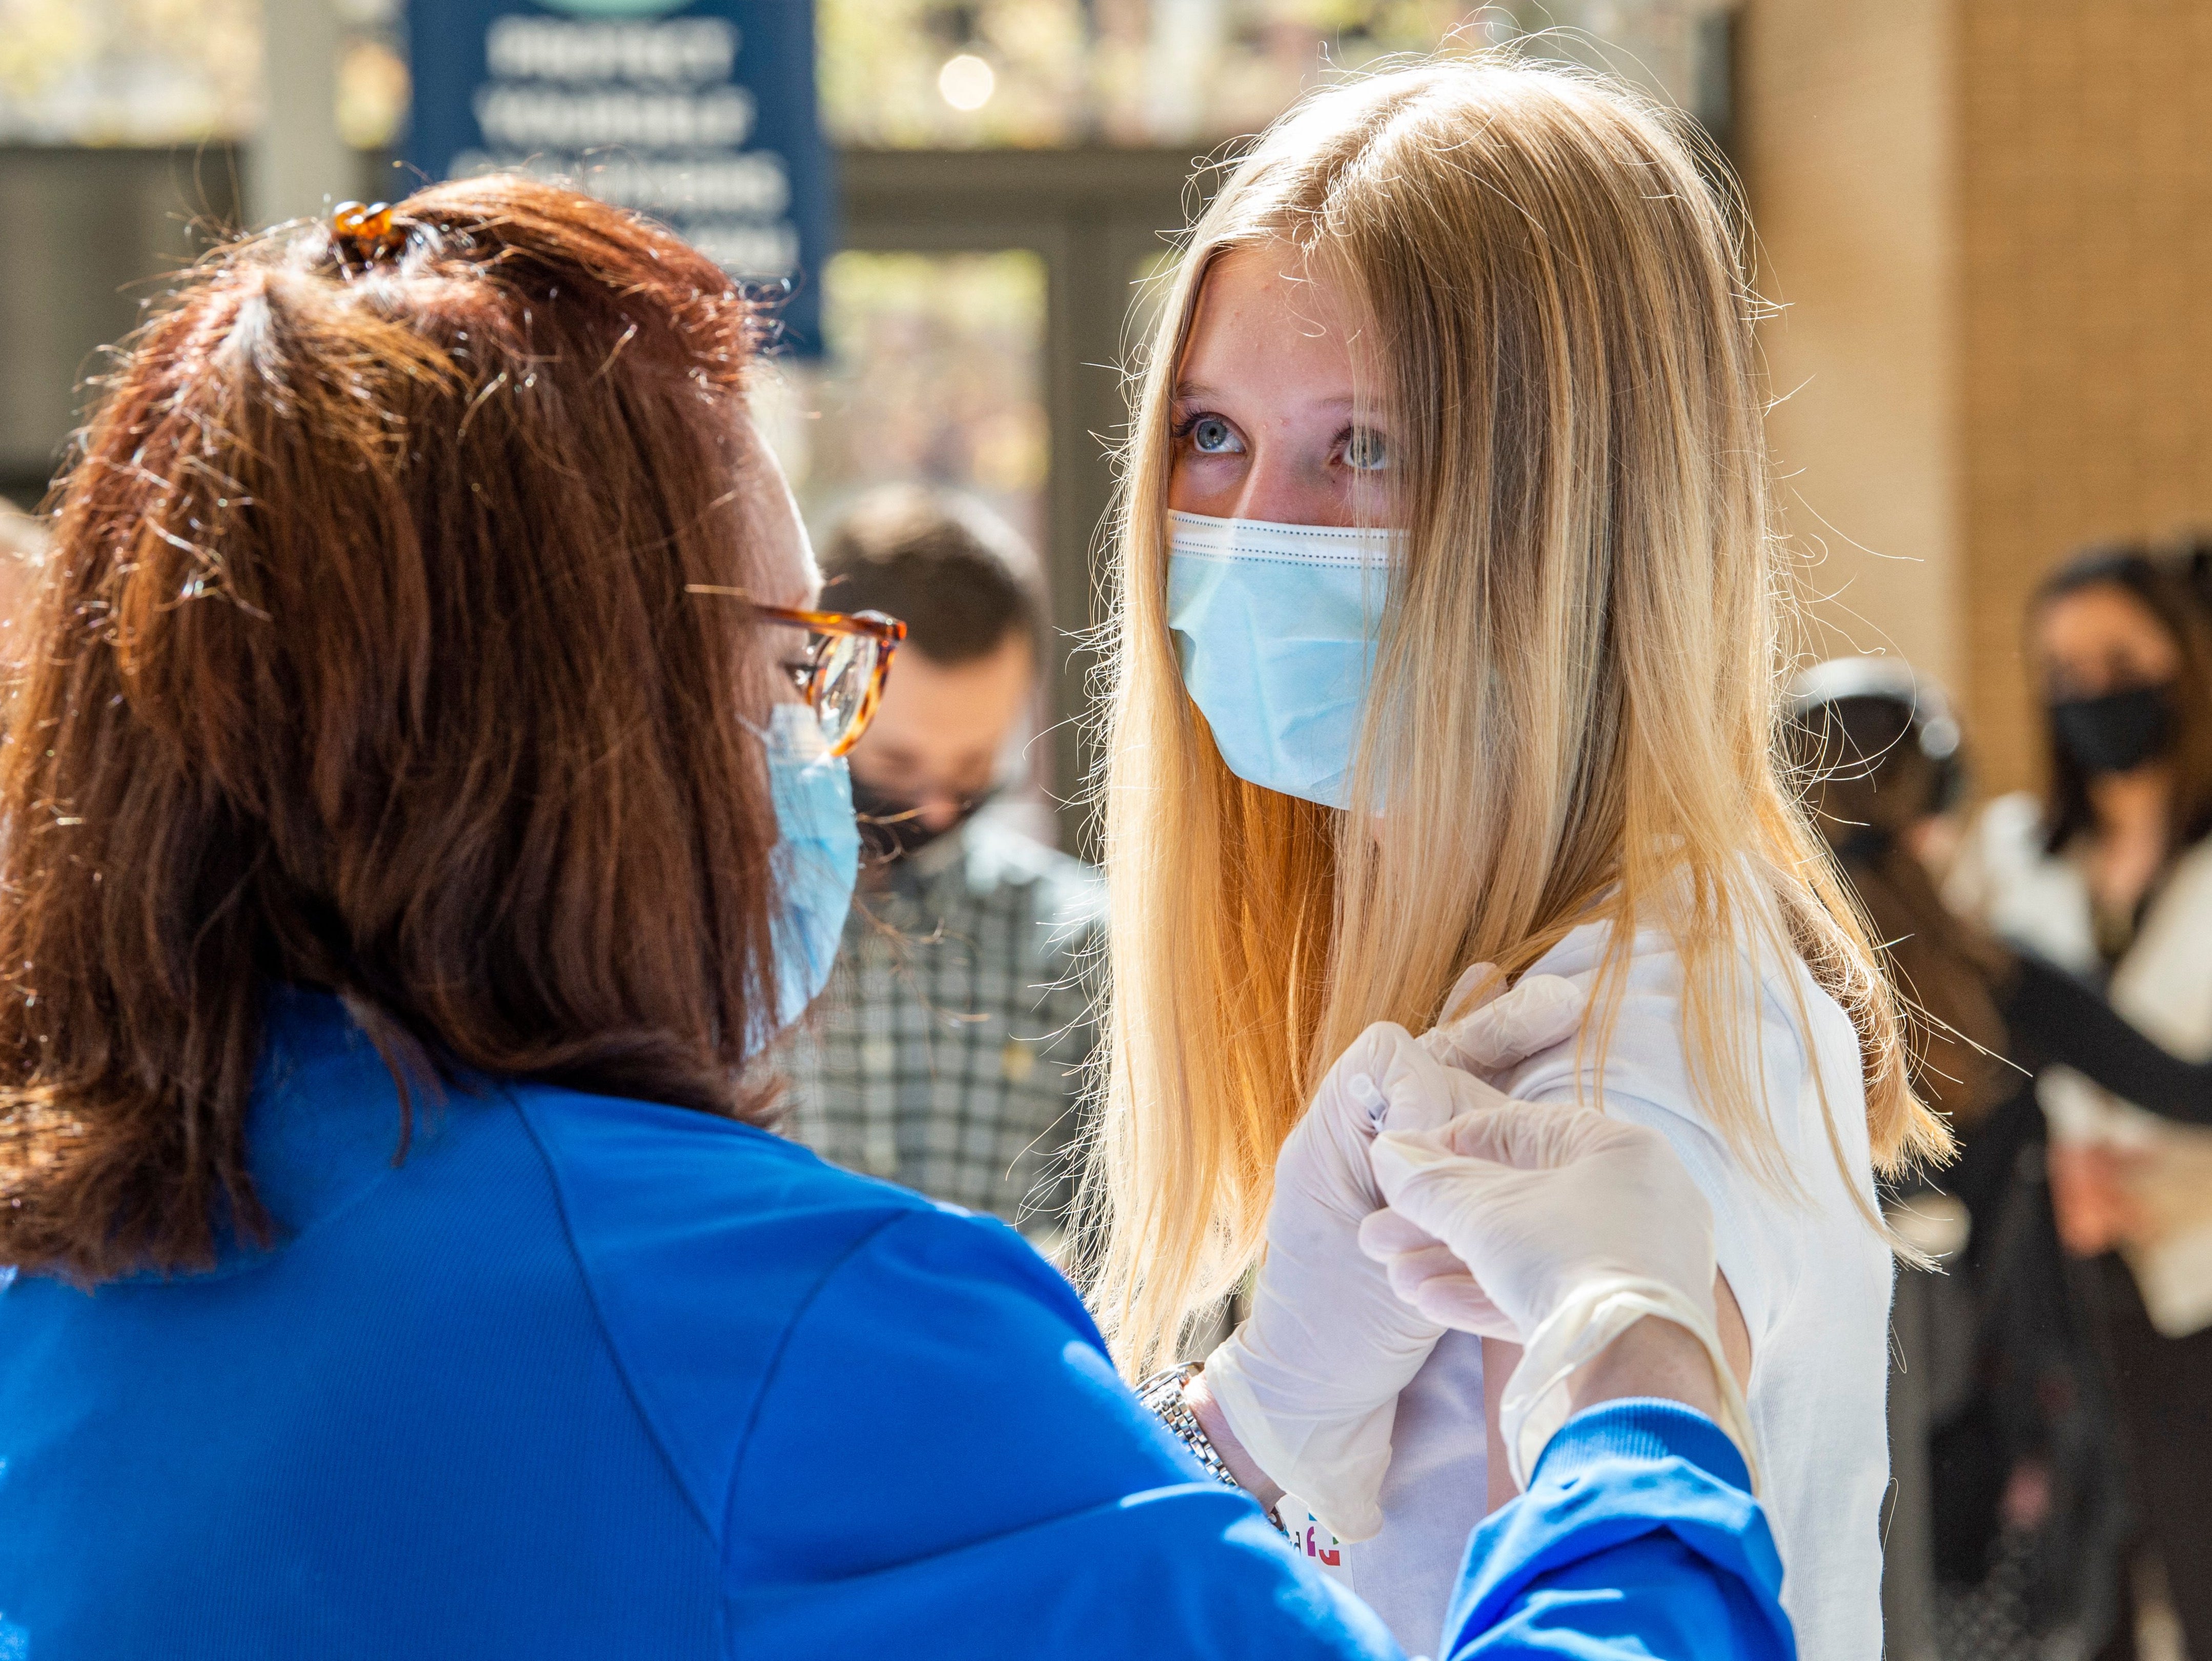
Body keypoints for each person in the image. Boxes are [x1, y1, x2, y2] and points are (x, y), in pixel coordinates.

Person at [0, 176, 1800, 1661]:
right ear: (590, 732)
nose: (829, 761)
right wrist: (1631, 1376)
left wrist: (1251, 1417)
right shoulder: (783, 1326)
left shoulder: (63, 1278)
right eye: (794, 665)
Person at [1080, 54, 1949, 1660]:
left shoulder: (1600, 1051)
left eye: (1366, 449)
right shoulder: (1515, 981)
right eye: (1212, 430)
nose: (1254, 523)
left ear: (1572, 503)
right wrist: (1257, 1414)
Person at [1945, 547, 2212, 1658]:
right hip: (2049, 1293)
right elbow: (1960, 1061)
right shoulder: (2008, 857)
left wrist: (2169, 1191)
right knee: (2075, 1606)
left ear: (2186, 665)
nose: (2089, 689)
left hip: (2197, 1285)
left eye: (2117, 659)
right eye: (2060, 669)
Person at [783, 485, 1100, 1239]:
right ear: (812, 689)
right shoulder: (703, 935)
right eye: (897, 761)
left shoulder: (1083, 949)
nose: (935, 812)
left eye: (973, 766)